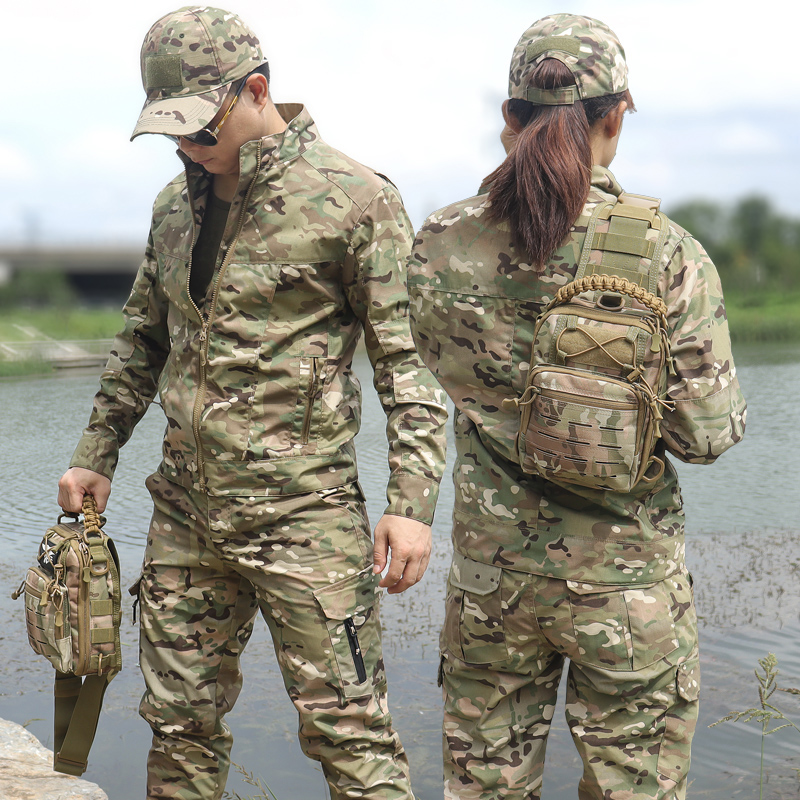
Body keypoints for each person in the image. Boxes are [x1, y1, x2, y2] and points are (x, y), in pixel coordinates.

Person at [57, 6, 448, 799]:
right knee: (178, 730)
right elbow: (141, 342)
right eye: (170, 130)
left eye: (199, 128)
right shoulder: (174, 207)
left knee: (351, 735)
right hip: (185, 518)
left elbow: (410, 366)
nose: (184, 146)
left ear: (257, 91)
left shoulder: (356, 199)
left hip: (306, 520)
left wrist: (412, 503)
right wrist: (95, 454)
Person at [408, 14, 746, 800]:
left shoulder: (440, 243)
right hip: (626, 591)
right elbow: (705, 435)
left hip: (493, 588)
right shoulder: (666, 252)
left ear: (510, 120)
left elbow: (420, 375)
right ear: (617, 115)